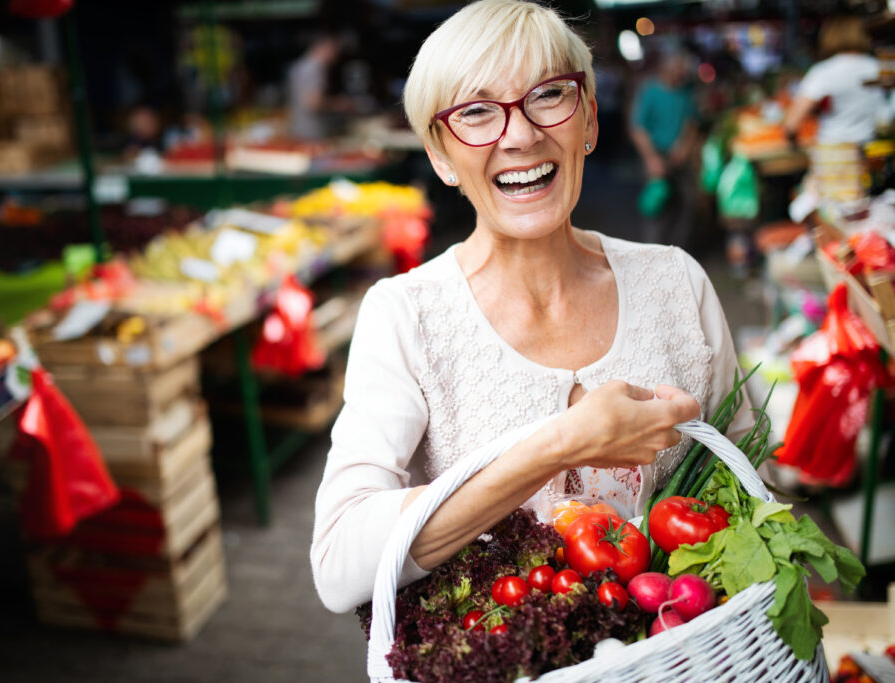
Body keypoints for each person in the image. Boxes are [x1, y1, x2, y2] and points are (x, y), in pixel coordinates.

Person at [311, 0, 750, 615]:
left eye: (548, 96)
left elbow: (750, 486)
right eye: (476, 112)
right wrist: (560, 445)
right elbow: (338, 565)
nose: (520, 135)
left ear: (589, 120)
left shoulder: (677, 283)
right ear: (440, 155)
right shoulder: (404, 316)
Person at [629, 49, 699, 250]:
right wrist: (651, 159)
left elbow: (691, 121)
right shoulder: (650, 90)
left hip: (678, 157)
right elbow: (637, 128)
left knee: (687, 204)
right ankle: (654, 253)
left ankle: (680, 251)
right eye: (678, 68)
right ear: (666, 68)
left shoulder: (686, 90)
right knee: (657, 206)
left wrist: (684, 145)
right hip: (656, 153)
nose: (682, 73)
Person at [783, 16, 885, 146]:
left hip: (832, 152)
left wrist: (793, 141)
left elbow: (792, 123)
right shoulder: (878, 67)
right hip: (870, 149)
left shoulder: (824, 71)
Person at [285, 34, 343, 140]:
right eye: (335, 50)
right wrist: (340, 104)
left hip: (298, 128)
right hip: (312, 132)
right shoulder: (315, 68)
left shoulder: (299, 65)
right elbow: (313, 102)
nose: (337, 56)